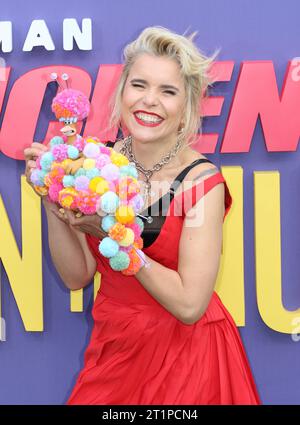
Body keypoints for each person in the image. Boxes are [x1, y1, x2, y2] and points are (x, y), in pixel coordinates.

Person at [24, 26, 261, 405]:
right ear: (121, 92)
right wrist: (50, 199)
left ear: (187, 107)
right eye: (139, 85)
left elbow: (189, 305)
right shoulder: (94, 166)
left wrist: (117, 238)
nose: (149, 101)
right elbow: (76, 276)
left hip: (188, 361)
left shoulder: (201, 183)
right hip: (113, 350)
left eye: (168, 91)